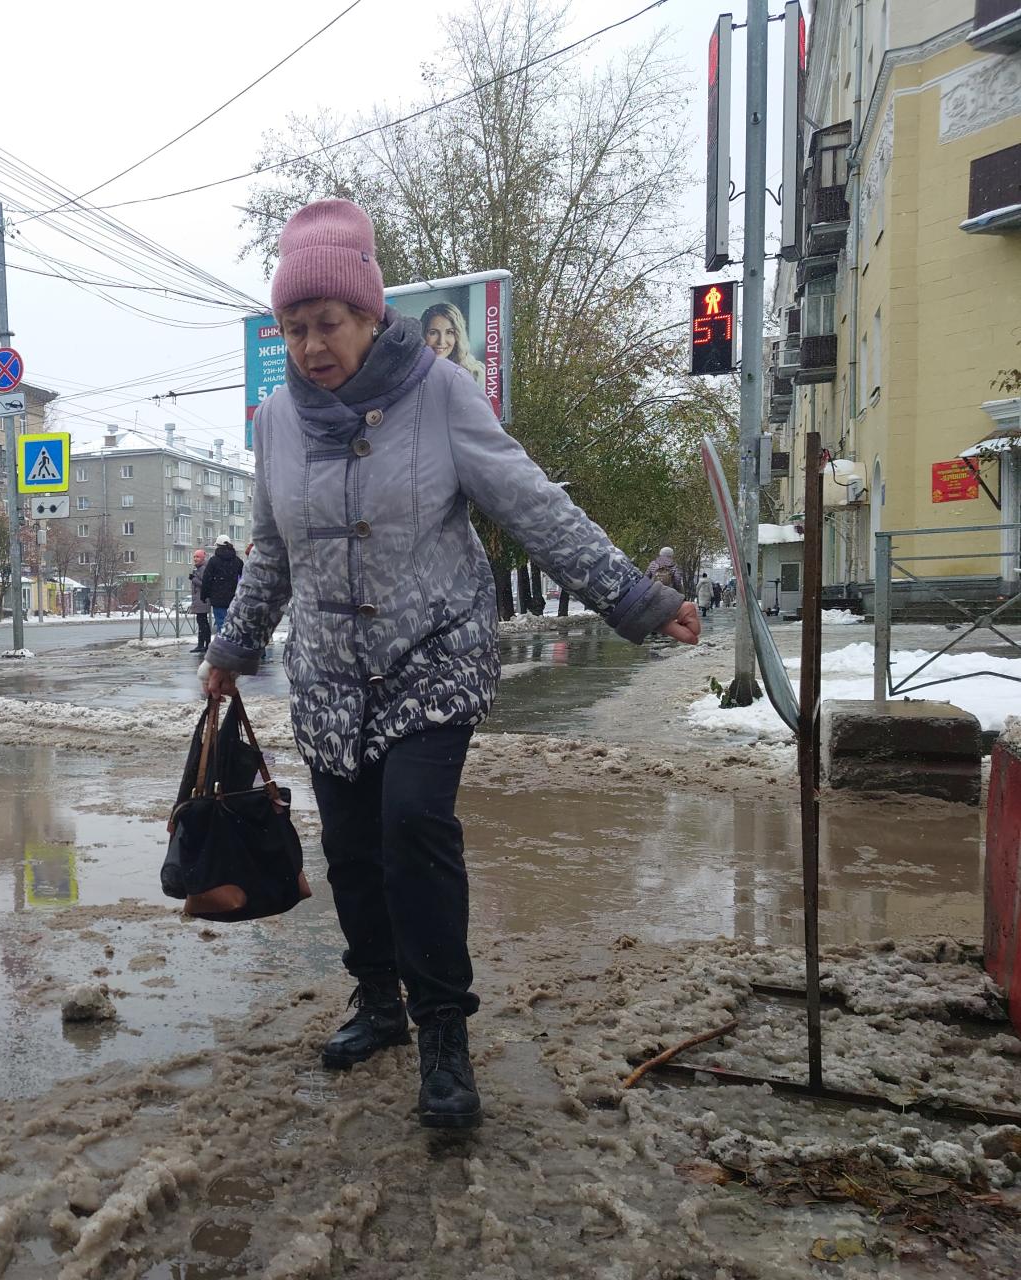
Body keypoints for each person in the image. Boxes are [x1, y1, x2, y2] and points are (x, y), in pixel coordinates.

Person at [201, 199, 698, 1131]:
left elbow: (530, 504)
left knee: (414, 825)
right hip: (331, 673)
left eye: (330, 324)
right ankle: (378, 1004)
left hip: (433, 651)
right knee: (351, 848)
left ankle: (444, 1033)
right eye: (295, 328)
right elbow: (272, 552)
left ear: (369, 314)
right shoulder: (273, 422)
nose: (312, 344)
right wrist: (233, 647)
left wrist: (635, 598)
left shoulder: (437, 389)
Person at [419, 301, 485, 388]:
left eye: (449, 332)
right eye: (433, 333)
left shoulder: (476, 374)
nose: (441, 341)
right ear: (423, 334)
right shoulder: (413, 374)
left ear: (458, 336)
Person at [201, 536, 244, 635]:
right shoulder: (237, 561)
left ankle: (224, 646)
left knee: (221, 623)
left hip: (218, 598)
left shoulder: (213, 561)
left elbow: (207, 579)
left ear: (217, 546)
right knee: (233, 624)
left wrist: (204, 595)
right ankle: (233, 645)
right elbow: (245, 578)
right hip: (234, 598)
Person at [188, 548, 211, 655]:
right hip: (199, 600)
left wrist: (193, 579)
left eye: (197, 557)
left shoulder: (203, 569)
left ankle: (204, 645)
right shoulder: (199, 569)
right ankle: (203, 644)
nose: (195, 559)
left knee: (202, 623)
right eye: (194, 557)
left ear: (202, 558)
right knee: (202, 622)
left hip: (202, 600)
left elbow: (205, 585)